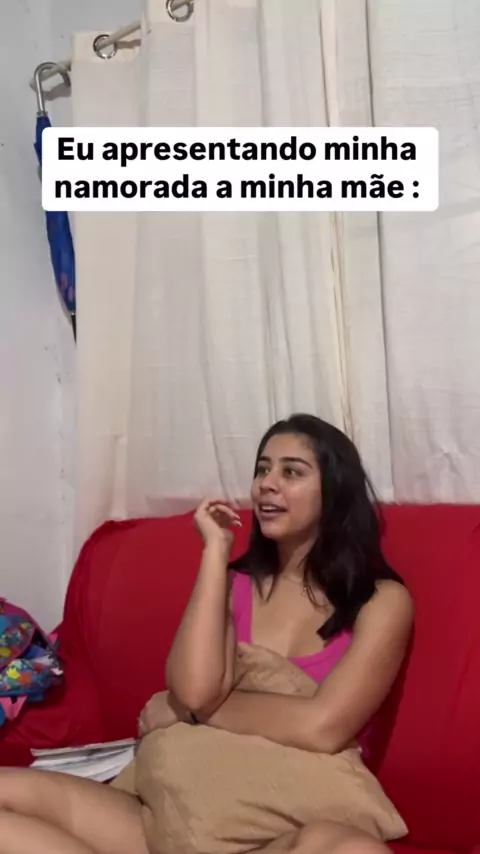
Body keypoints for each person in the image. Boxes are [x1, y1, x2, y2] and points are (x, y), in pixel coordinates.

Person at [0, 414, 413, 854]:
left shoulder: (380, 601)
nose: (267, 484)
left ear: (334, 491)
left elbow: (322, 727)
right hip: (175, 813)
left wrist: (190, 713)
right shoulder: (233, 585)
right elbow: (195, 689)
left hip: (283, 828)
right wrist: (215, 552)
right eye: (262, 469)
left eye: (291, 472)